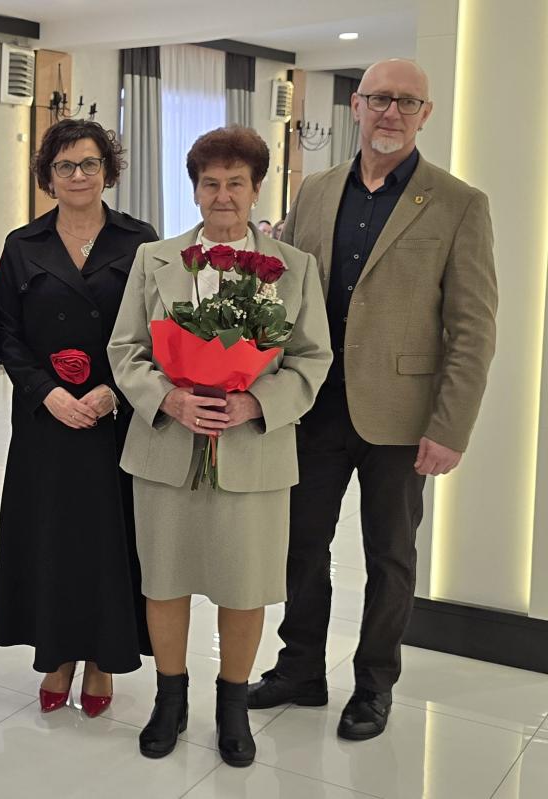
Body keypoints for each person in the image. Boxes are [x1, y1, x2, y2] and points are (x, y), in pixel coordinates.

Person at [249, 58, 498, 741]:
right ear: (356, 106)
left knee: (390, 557)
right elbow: (287, 294)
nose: (392, 111)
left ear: (426, 114)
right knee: (301, 546)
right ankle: (300, 669)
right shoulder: (317, 189)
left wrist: (451, 426)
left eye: (407, 102)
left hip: (403, 417)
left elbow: (473, 327)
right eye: (380, 98)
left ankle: (373, 684)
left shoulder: (458, 203)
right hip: (314, 406)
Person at [108, 126, 331, 767]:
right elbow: (125, 349)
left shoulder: (294, 269)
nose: (223, 195)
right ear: (195, 190)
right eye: (211, 183)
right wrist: (168, 398)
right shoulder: (155, 259)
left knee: (244, 585)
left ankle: (233, 706)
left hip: (253, 452)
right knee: (165, 581)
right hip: (167, 448)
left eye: (236, 183)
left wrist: (257, 402)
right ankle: (169, 701)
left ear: (257, 189)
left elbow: (312, 359)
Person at [0, 119, 155, 717]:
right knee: (52, 537)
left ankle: (104, 656)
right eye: (64, 166)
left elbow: (157, 328)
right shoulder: (23, 244)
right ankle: (56, 653)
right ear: (48, 176)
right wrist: (46, 393)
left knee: (110, 537)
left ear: (107, 171)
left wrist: (113, 390)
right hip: (47, 420)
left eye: (89, 164)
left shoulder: (140, 241)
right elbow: (5, 334)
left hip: (116, 417)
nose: (77, 175)